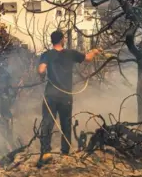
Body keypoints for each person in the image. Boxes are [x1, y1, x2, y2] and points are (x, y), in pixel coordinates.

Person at [37, 30, 101, 166]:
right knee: (66, 123)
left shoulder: (47, 54)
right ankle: (65, 153)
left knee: (47, 122)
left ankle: (46, 152)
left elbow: (41, 70)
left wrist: (42, 77)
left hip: (50, 94)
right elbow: (88, 58)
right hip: (65, 95)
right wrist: (95, 51)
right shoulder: (70, 54)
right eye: (64, 38)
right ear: (61, 40)